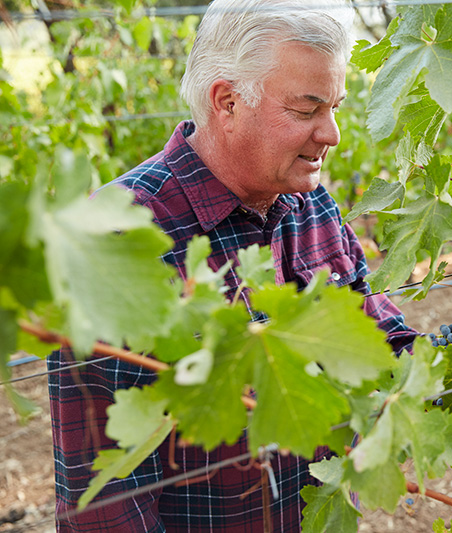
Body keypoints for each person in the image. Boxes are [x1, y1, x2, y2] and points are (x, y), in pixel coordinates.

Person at [46, 0, 418, 530]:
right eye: (307, 110)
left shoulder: (310, 202)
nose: (331, 134)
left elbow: (372, 329)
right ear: (226, 102)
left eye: (334, 107)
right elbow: (105, 500)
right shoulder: (114, 241)